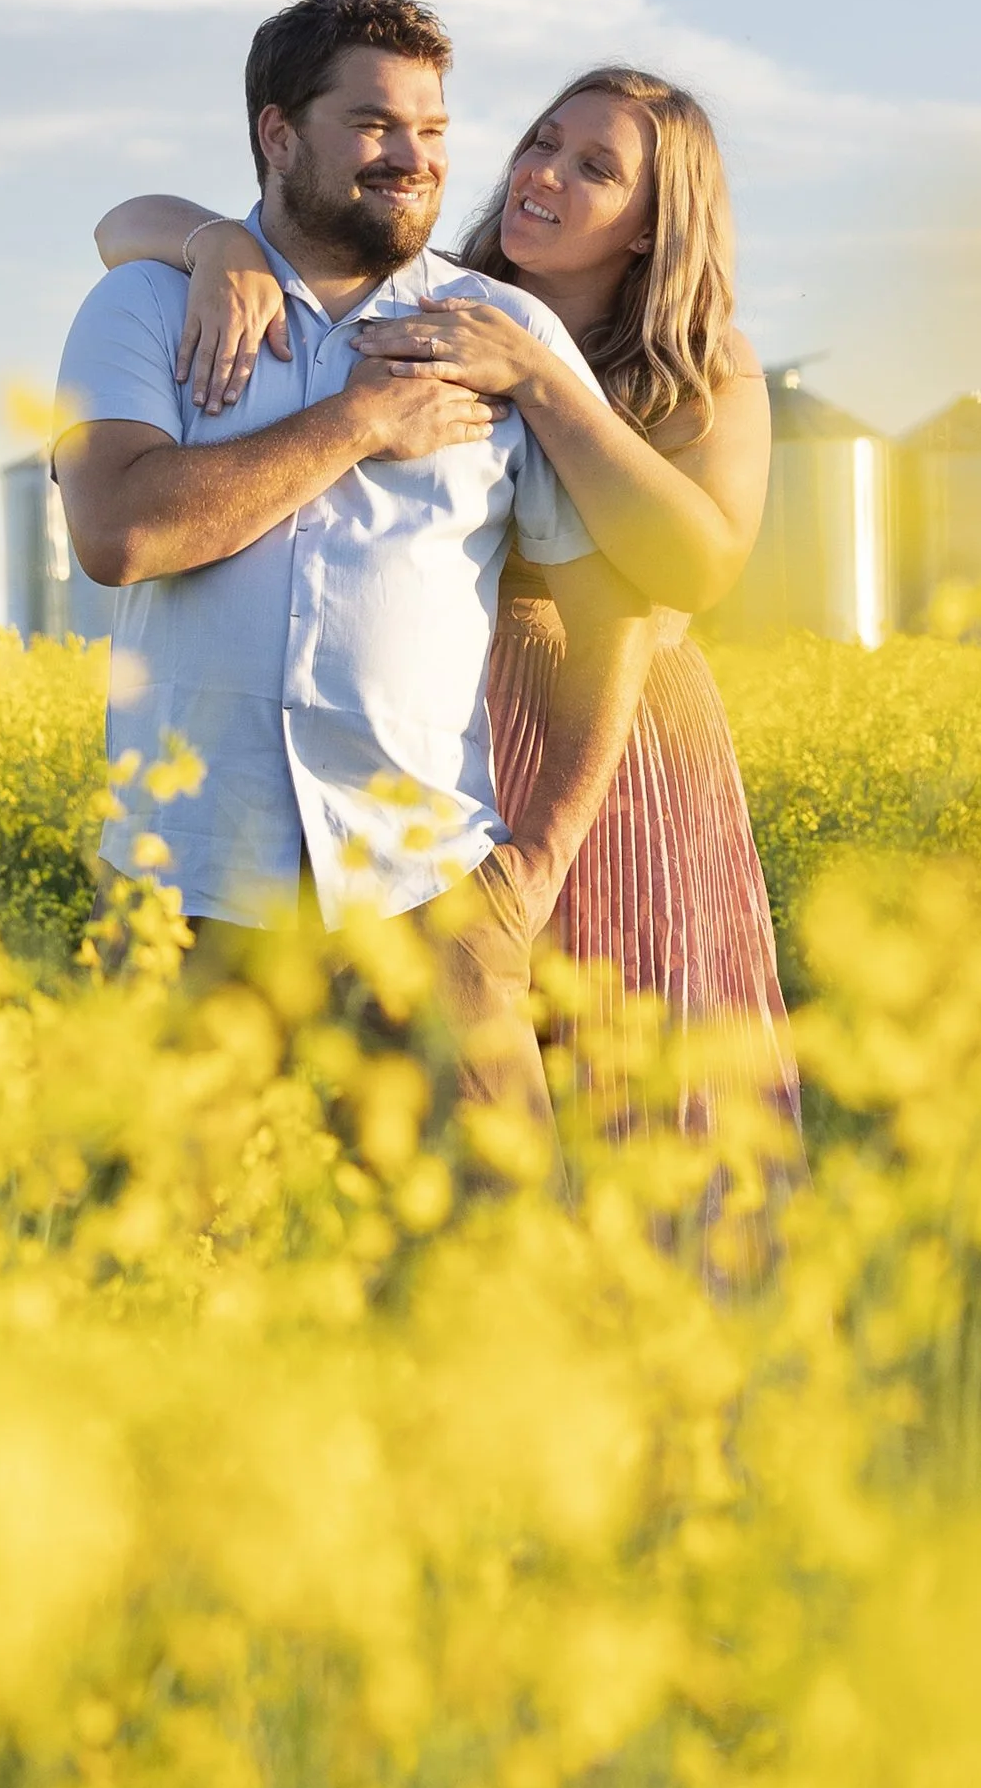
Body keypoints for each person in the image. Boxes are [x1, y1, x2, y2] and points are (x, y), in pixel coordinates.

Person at [94, 61, 800, 1162]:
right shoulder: (439, 299)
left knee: (621, 1073)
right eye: (541, 142)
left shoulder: (695, 366)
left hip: (611, 733)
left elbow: (695, 565)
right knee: (456, 1082)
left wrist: (540, 377)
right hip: (450, 735)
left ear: (651, 228)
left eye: (595, 169)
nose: (543, 173)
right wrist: (215, 241)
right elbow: (119, 223)